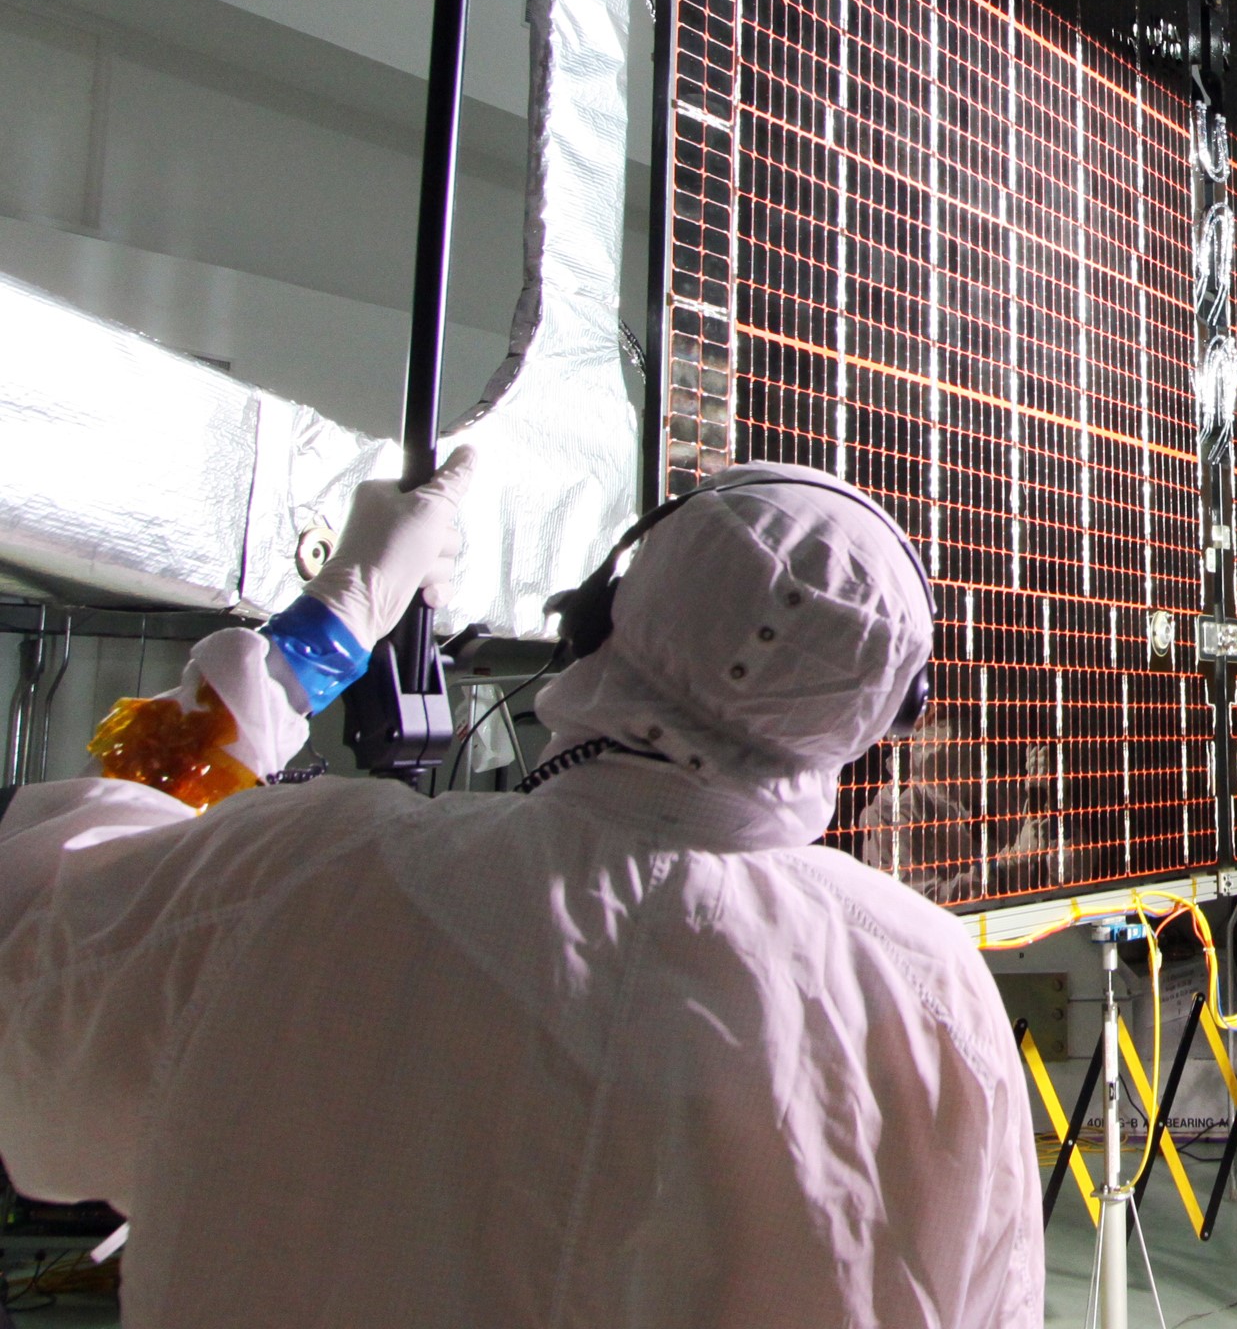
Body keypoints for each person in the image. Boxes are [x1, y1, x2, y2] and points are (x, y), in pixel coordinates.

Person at [0, 456, 1042, 1327]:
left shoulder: (303, 871)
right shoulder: (931, 993)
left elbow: (37, 936)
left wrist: (325, 632)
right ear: (882, 714)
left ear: (595, 619)